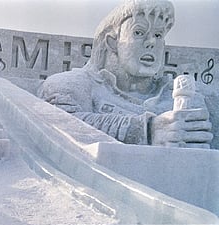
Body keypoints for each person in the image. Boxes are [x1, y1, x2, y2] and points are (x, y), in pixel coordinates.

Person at [39, 0, 213, 148]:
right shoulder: (72, 84)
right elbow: (58, 125)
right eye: (139, 32)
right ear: (112, 42)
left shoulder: (190, 98)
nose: (151, 42)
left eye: (158, 35)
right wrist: (147, 130)